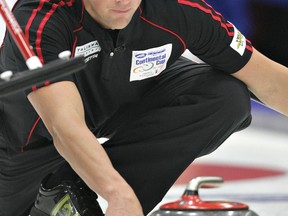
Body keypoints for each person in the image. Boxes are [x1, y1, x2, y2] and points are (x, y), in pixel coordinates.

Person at [0, 0, 287, 215]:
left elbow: (271, 82)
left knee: (225, 96)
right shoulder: (41, 17)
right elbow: (64, 126)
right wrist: (117, 193)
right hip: (25, 142)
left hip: (118, 106)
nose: (123, 1)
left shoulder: (175, 8)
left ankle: (67, 191)